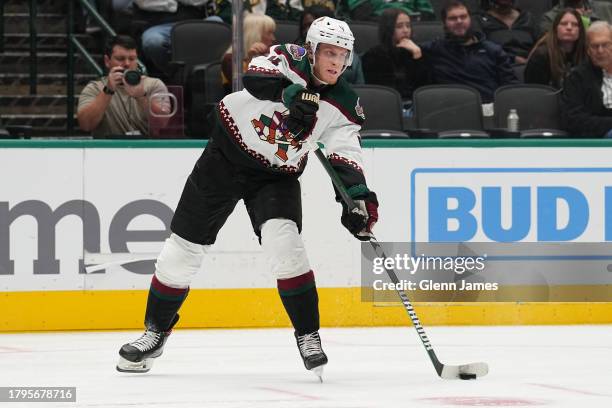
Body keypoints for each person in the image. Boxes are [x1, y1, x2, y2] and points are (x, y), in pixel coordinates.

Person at [116, 17, 379, 379]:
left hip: (275, 176)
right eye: (329, 53)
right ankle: (154, 333)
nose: (335, 62)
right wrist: (291, 94)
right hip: (223, 159)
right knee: (182, 250)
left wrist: (357, 199)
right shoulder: (288, 57)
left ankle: (309, 335)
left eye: (342, 55)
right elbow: (255, 77)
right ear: (313, 50)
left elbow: (345, 156)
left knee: (285, 245)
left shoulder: (346, 104)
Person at [421, 0, 517, 106]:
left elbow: (510, 87)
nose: (459, 21)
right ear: (444, 23)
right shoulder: (435, 49)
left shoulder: (493, 51)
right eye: (453, 18)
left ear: (470, 19)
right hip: (451, 110)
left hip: (488, 109)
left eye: (463, 17)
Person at [77, 35, 170, 138]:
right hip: (108, 149)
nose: (127, 63)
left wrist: (141, 97)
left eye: (132, 59)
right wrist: (108, 91)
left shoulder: (154, 85)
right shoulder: (94, 88)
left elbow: (163, 126)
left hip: (146, 149)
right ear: (107, 61)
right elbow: (86, 125)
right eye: (120, 59)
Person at [362, 8, 429, 101]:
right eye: (399, 26)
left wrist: (417, 57)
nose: (406, 30)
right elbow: (383, 91)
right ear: (388, 29)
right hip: (389, 104)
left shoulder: (416, 51)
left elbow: (426, 89)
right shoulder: (373, 56)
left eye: (408, 26)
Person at [561, 21, 612, 137]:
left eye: (605, 45)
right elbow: (573, 120)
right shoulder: (577, 77)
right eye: (595, 46)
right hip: (594, 141)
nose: (600, 51)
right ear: (588, 50)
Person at [296, 5, 365, 85]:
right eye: (305, 26)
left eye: (313, 26)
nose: (308, 30)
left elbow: (360, 88)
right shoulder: (294, 56)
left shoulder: (354, 60)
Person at [525, 8, 587, 90]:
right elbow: (534, 93)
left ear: (580, 31)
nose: (569, 27)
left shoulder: (585, 54)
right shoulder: (541, 56)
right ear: (555, 28)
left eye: (575, 24)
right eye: (564, 24)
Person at [221, 13, 277, 94]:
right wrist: (252, 59)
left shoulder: (272, 55)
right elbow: (244, 89)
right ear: (254, 34)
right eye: (269, 33)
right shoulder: (230, 59)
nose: (273, 38)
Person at [474, 0, 538, 64]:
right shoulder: (480, 20)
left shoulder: (527, 18)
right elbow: (480, 49)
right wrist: (512, 58)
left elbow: (542, 43)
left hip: (530, 65)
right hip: (497, 66)